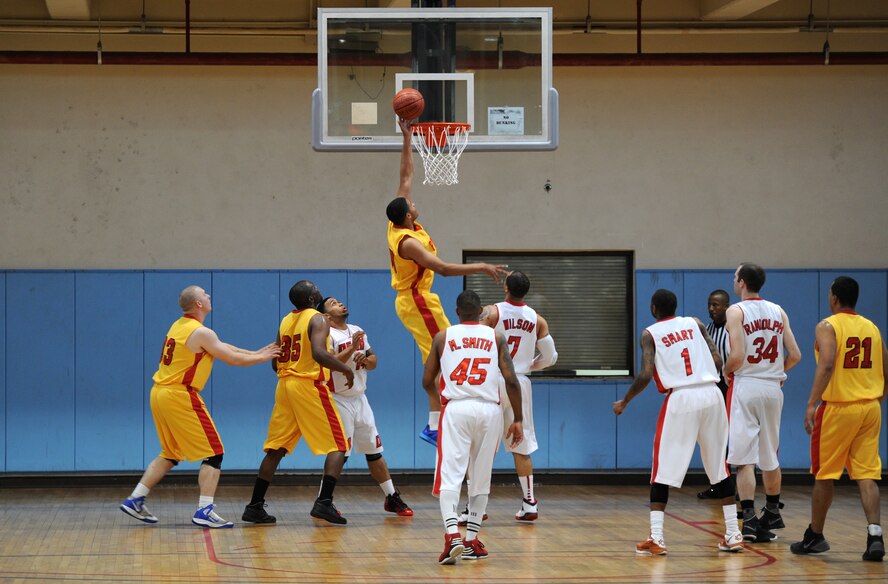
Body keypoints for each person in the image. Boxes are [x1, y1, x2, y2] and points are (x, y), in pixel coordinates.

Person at [386, 118, 508, 447]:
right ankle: (434, 425)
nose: (414, 202)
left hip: (421, 299)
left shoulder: (400, 220)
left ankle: (437, 423)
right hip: (417, 301)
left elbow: (406, 175)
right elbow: (441, 269)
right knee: (444, 358)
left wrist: (408, 136)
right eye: (412, 205)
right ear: (408, 216)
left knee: (444, 357)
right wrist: (480, 266)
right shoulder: (408, 242)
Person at [120, 285, 281, 528]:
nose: (208, 296)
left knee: (171, 453)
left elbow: (224, 346)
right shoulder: (202, 332)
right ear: (198, 304)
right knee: (215, 452)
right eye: (204, 294)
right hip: (180, 394)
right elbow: (232, 358)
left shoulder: (181, 326)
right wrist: (263, 357)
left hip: (160, 393)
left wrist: (256, 351)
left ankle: (136, 499)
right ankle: (204, 510)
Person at [613, 289, 743, 556]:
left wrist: (625, 400)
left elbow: (646, 374)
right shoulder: (695, 323)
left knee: (661, 471)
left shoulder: (649, 334)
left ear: (653, 308)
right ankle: (733, 533)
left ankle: (657, 538)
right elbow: (717, 358)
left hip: (682, 397)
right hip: (712, 393)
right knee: (720, 467)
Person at [422, 289, 524, 564]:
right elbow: (512, 380)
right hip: (490, 410)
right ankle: (471, 541)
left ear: (457, 312)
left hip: (456, 408)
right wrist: (518, 419)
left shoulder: (443, 337)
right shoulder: (496, 336)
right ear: (481, 312)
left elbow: (427, 379)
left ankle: (452, 534)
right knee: (481, 477)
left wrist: (437, 406)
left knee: (450, 474)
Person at [241, 281, 355, 526]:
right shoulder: (318, 318)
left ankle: (254, 506)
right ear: (313, 297)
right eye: (315, 287)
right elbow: (318, 353)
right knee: (339, 445)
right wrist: (346, 369)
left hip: (284, 386)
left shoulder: (285, 322)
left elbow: (275, 362)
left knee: (276, 448)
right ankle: (324, 503)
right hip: (308, 384)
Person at [790, 276, 886, 561]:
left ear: (833, 297)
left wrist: (810, 403)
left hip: (838, 408)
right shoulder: (871, 327)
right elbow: (887, 365)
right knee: (867, 474)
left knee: (825, 474)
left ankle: (815, 536)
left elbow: (828, 363)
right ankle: (875, 535)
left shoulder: (827, 325)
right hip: (870, 407)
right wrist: (876, 398)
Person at [724, 263, 801, 542]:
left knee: (743, 460)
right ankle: (772, 511)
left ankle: (750, 520)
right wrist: (777, 373)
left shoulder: (736, 311)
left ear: (742, 282)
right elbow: (795, 354)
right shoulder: (778, 310)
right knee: (769, 456)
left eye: (735, 277)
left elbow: (738, 354)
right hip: (772, 387)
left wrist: (726, 372)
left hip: (747, 385)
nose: (734, 281)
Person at [316, 296, 413, 517]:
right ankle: (323, 500)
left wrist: (364, 359)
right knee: (341, 453)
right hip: (338, 398)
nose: (340, 303)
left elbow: (374, 361)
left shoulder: (357, 329)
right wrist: (351, 348)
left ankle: (391, 497)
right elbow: (329, 364)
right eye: (333, 303)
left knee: (374, 450)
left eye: (339, 301)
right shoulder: (326, 334)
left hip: (360, 398)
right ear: (326, 316)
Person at [474, 270, 557, 522]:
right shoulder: (537, 319)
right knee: (522, 446)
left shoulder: (491, 312)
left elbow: (475, 340)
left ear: (506, 288)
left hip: (492, 381)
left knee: (481, 447)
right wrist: (527, 366)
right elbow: (551, 358)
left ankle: (477, 507)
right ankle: (530, 503)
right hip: (520, 382)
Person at [697, 288, 732, 500]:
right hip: (713, 388)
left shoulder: (734, 329)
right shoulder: (707, 330)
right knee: (712, 438)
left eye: (716, 305)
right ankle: (716, 484)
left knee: (734, 438)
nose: (711, 309)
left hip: (731, 388)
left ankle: (735, 485)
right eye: (710, 304)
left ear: (727, 306)